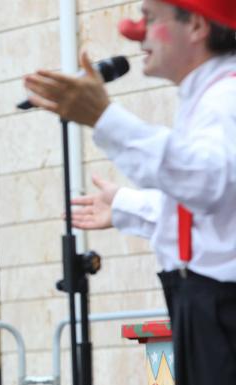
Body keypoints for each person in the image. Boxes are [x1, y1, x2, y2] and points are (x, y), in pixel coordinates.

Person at [22, 1, 236, 384]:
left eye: (151, 18)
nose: (135, 30)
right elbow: (211, 205)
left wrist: (106, 118)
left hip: (221, 304)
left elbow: (205, 181)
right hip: (205, 302)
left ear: (198, 26)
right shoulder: (207, 97)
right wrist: (125, 204)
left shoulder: (227, 97)